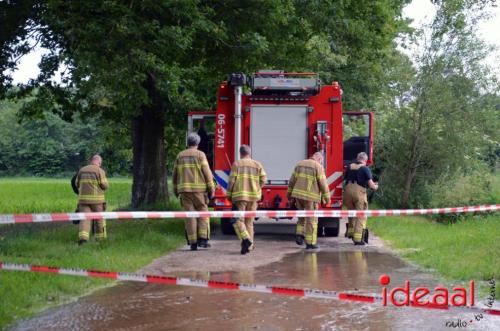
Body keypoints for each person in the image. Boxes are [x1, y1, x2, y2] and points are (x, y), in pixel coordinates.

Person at [173, 133, 215, 251]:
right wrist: (211, 189)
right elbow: (207, 173)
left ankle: (193, 243)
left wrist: (176, 190)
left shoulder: (180, 155)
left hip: (184, 192)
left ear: (188, 143)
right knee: (203, 214)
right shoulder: (201, 155)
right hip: (200, 192)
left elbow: (175, 175)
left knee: (189, 216)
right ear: (197, 143)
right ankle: (203, 239)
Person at [227, 145, 267, 255]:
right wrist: (257, 188)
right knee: (249, 222)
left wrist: (229, 194)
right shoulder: (257, 164)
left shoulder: (237, 164)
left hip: (240, 197)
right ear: (249, 153)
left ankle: (246, 240)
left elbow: (231, 181)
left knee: (238, 220)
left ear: (240, 153)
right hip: (253, 197)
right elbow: (264, 179)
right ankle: (249, 247)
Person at [287, 152, 330, 250]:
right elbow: (323, 184)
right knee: (312, 220)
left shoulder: (299, 164)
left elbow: (292, 181)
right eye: (321, 161)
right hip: (311, 198)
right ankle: (310, 243)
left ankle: (299, 235)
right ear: (319, 159)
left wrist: (289, 195)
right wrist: (327, 198)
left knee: (301, 217)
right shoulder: (318, 166)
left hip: (298, 196)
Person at [343, 152, 378, 245]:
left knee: (351, 212)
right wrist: (376, 187)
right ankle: (358, 239)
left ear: (357, 158)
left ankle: (350, 232)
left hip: (347, 192)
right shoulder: (365, 168)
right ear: (365, 160)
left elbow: (344, 178)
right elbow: (371, 185)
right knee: (360, 215)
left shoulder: (349, 167)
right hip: (359, 193)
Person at [76, 154, 108, 245]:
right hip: (97, 201)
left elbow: (77, 183)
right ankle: (100, 240)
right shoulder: (100, 170)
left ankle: (83, 239)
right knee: (99, 219)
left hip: (83, 200)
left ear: (91, 161)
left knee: (84, 219)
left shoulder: (82, 170)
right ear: (99, 162)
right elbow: (105, 185)